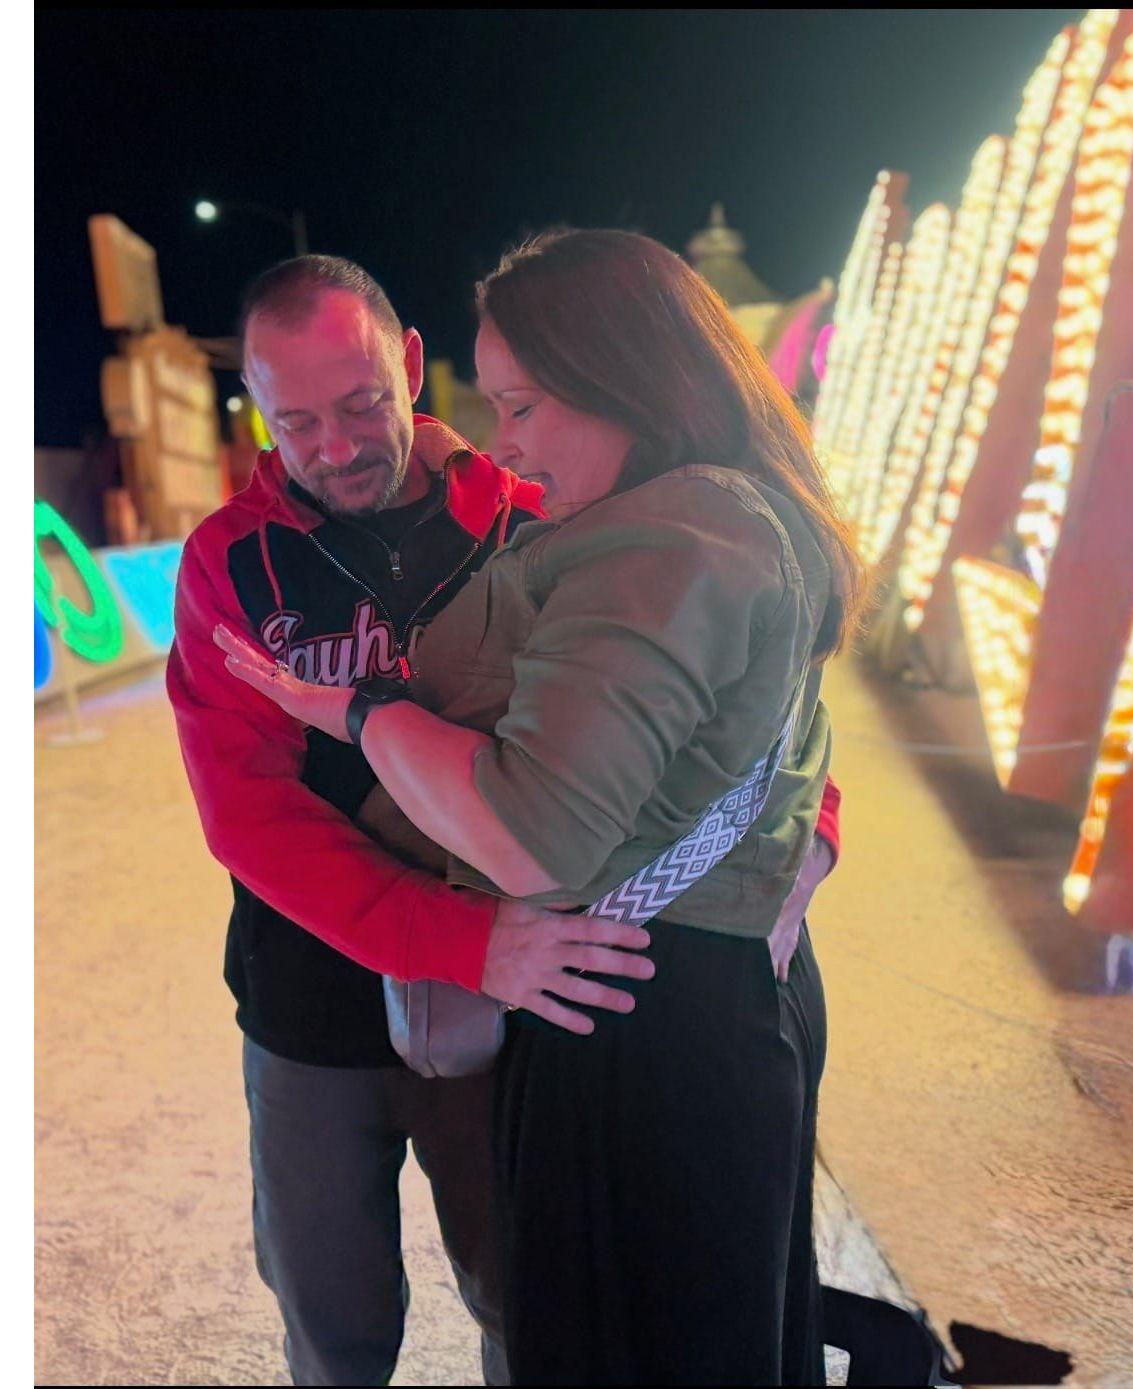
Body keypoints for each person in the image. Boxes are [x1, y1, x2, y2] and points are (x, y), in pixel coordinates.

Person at [167, 253, 843, 1386]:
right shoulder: (228, 561)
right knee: (332, 1319)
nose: (334, 446)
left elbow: (746, 685)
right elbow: (249, 817)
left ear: (409, 366)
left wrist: (808, 838)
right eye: (296, 423)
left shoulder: (542, 505)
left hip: (521, 998)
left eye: (360, 404)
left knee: (529, 1307)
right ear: (258, 411)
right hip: (320, 1001)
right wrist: (462, 938)